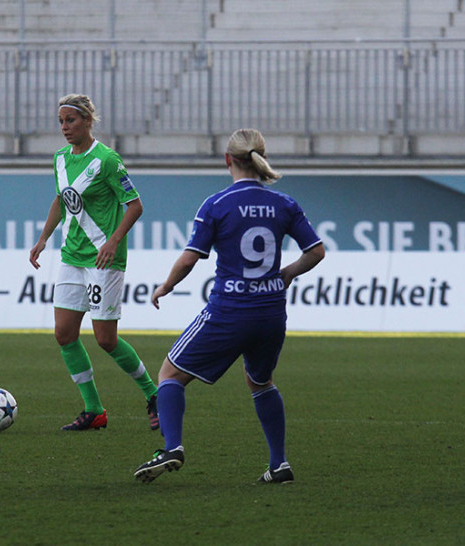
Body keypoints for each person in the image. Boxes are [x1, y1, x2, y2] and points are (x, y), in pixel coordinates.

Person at [133, 128, 325, 483]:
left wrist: (166, 285)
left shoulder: (217, 204)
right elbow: (316, 251)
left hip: (230, 311)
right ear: (262, 158)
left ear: (227, 160)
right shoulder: (284, 204)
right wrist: (286, 274)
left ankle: (172, 446)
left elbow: (191, 258)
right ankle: (279, 464)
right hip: (270, 312)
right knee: (262, 382)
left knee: (170, 374)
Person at [29, 93, 159, 431]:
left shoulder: (107, 161)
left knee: (105, 339)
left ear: (88, 120)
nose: (64, 128)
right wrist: (43, 238)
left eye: (70, 121)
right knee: (64, 333)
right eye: (60, 122)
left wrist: (114, 241)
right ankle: (93, 409)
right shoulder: (59, 159)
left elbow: (135, 205)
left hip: (103, 259)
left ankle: (154, 393)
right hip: (71, 256)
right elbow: (62, 199)